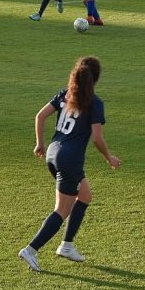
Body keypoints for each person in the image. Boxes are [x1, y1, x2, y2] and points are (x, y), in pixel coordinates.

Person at [19, 56, 121, 272]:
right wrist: (109, 157)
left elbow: (40, 116)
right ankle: (31, 249)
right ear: (96, 79)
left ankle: (67, 245)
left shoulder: (65, 95)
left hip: (53, 154)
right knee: (62, 210)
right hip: (70, 161)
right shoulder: (95, 103)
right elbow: (97, 138)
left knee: (84, 196)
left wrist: (40, 143)